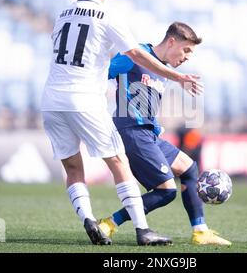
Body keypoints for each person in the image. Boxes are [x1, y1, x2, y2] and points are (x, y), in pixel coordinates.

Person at [40, 0, 202, 246]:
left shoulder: (62, 13)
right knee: (118, 161)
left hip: (52, 99)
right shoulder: (107, 14)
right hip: (83, 98)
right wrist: (177, 77)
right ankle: (141, 229)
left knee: (74, 169)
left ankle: (89, 219)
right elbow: (136, 54)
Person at [98, 22, 231, 245]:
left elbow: (143, 100)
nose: (188, 57)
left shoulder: (163, 70)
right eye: (186, 49)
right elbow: (102, 73)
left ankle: (200, 232)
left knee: (189, 168)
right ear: (171, 42)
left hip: (147, 133)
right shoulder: (136, 54)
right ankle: (109, 224)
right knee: (167, 191)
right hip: (131, 132)